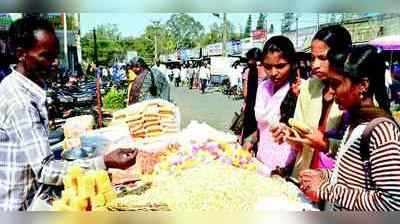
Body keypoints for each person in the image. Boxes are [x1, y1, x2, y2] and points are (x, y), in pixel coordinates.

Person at [0, 16, 137, 211]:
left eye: (56, 56)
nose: (55, 63)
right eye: (46, 56)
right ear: (22, 54)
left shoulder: (24, 87)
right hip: (18, 206)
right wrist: (104, 161)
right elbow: (45, 169)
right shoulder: (20, 101)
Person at [299, 45, 400, 211]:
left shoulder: (381, 131)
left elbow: (393, 202)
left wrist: (325, 189)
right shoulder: (356, 122)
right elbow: (354, 181)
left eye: (336, 84)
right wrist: (323, 176)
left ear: (362, 86)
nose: (331, 92)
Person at [271, 25, 353, 181]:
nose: (314, 65)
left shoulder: (354, 93)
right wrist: (287, 133)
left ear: (340, 56)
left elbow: (357, 151)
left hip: (335, 185)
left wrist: (325, 144)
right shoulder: (308, 87)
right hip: (302, 177)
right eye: (313, 58)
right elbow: (299, 142)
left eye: (322, 58)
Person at [242, 36, 301, 176]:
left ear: (292, 64)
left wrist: (288, 169)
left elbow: (305, 139)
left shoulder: (300, 90)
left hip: (286, 169)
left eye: (280, 66)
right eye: (268, 67)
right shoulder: (263, 87)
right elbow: (263, 126)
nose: (273, 73)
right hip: (261, 162)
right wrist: (250, 141)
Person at [240, 48, 263, 146]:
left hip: (250, 107)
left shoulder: (247, 71)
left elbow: (245, 94)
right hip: (263, 108)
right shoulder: (267, 71)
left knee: (248, 133)